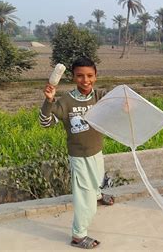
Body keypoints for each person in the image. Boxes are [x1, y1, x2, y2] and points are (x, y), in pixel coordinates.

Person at [39, 57, 115, 249]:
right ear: (73, 77)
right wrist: (49, 101)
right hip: (79, 156)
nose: (85, 80)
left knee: (98, 179)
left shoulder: (99, 97)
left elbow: (116, 106)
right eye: (80, 76)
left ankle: (98, 194)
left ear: (96, 76)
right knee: (84, 196)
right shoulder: (66, 102)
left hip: (96, 150)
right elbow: (45, 123)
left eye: (90, 75)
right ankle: (78, 235)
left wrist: (123, 105)